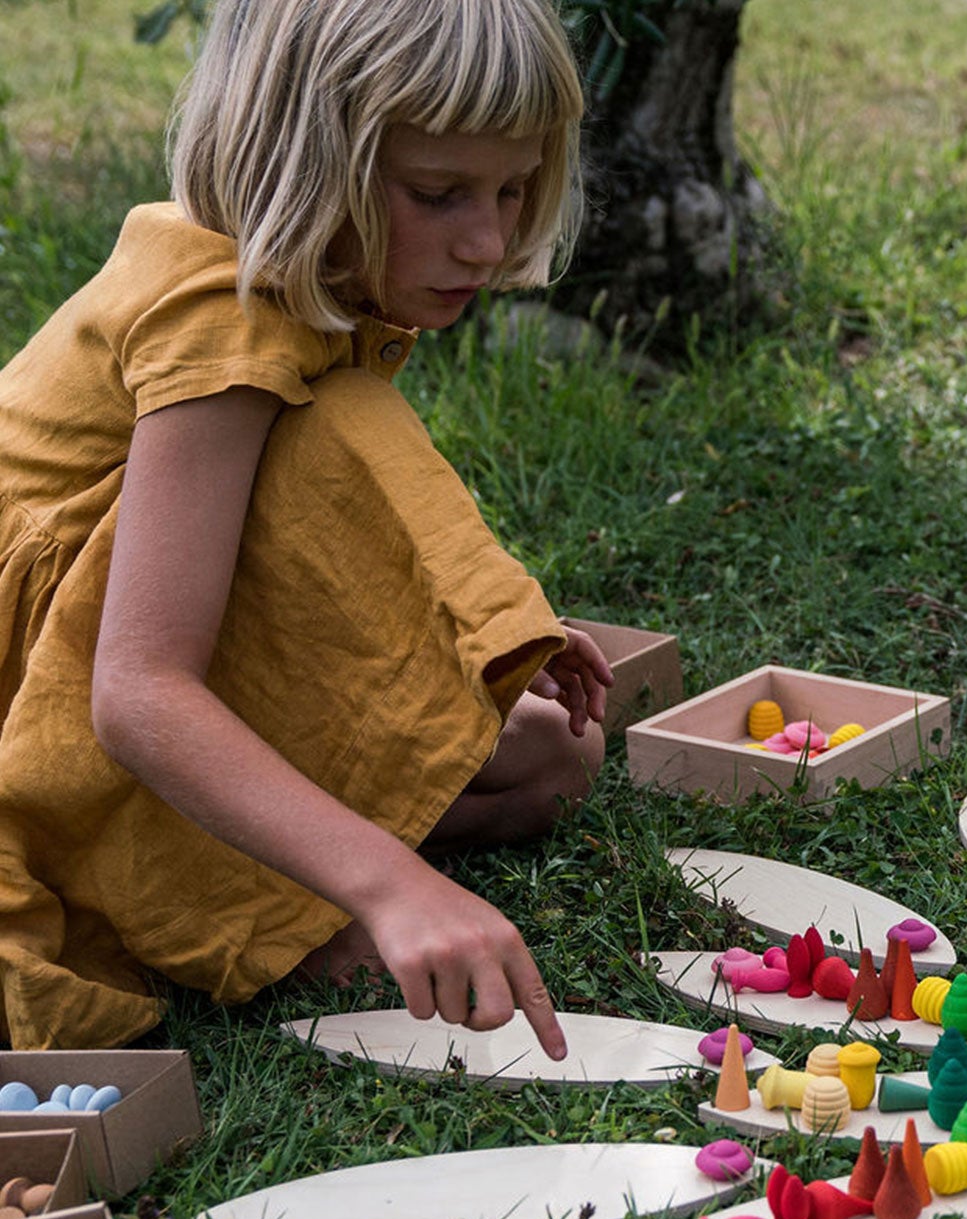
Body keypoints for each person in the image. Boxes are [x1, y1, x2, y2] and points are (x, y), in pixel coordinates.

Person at [0, 0, 609, 1057]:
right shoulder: (220, 321)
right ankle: (227, 904)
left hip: (110, 657)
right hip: (37, 709)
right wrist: (391, 881)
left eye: (513, 188)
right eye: (439, 193)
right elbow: (136, 694)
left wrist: (482, 631)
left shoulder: (305, 294)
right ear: (306, 160)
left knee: (549, 761)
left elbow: (292, 541)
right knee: (339, 426)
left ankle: (254, 875)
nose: (489, 238)